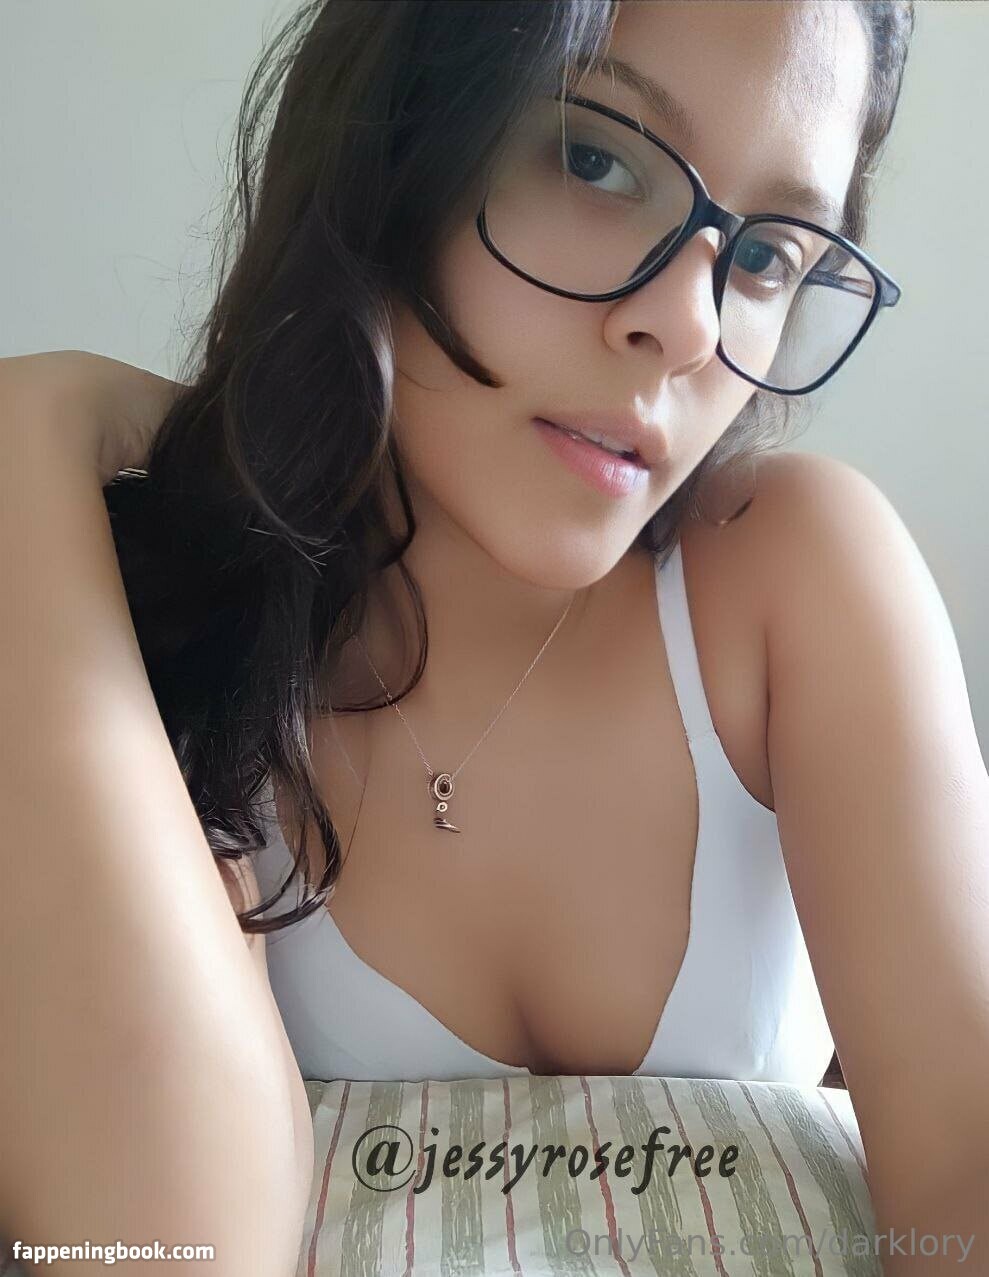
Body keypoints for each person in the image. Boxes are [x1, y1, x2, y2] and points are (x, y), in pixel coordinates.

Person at [3, 1, 988, 1272]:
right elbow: (157, 1237)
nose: (687, 326)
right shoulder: (175, 634)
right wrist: (34, 426)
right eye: (595, 159)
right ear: (391, 142)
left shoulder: (788, 574)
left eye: (764, 255)